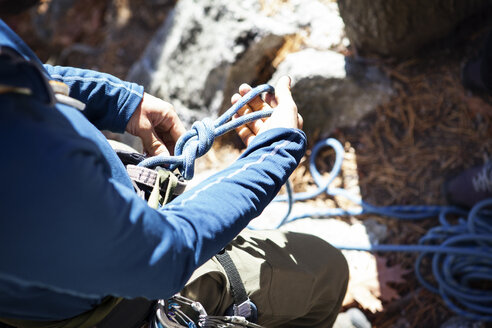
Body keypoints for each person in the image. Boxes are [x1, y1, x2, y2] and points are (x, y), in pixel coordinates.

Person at [0, 3, 348, 328]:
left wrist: (120, 101)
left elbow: (23, 75)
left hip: (96, 235)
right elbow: (164, 255)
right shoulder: (26, 170)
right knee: (326, 270)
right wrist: (272, 154)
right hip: (132, 297)